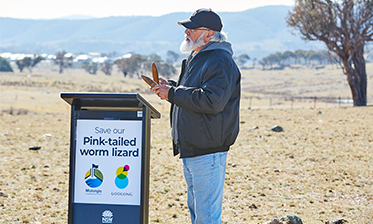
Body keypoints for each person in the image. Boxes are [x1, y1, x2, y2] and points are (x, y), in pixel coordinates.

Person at [151, 8, 241, 224]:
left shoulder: (219, 60)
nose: (187, 32)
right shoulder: (198, 58)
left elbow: (212, 100)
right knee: (198, 216)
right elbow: (194, 91)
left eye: (192, 29)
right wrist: (171, 86)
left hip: (207, 152)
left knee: (206, 218)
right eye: (186, 28)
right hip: (194, 149)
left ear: (210, 34)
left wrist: (172, 93)